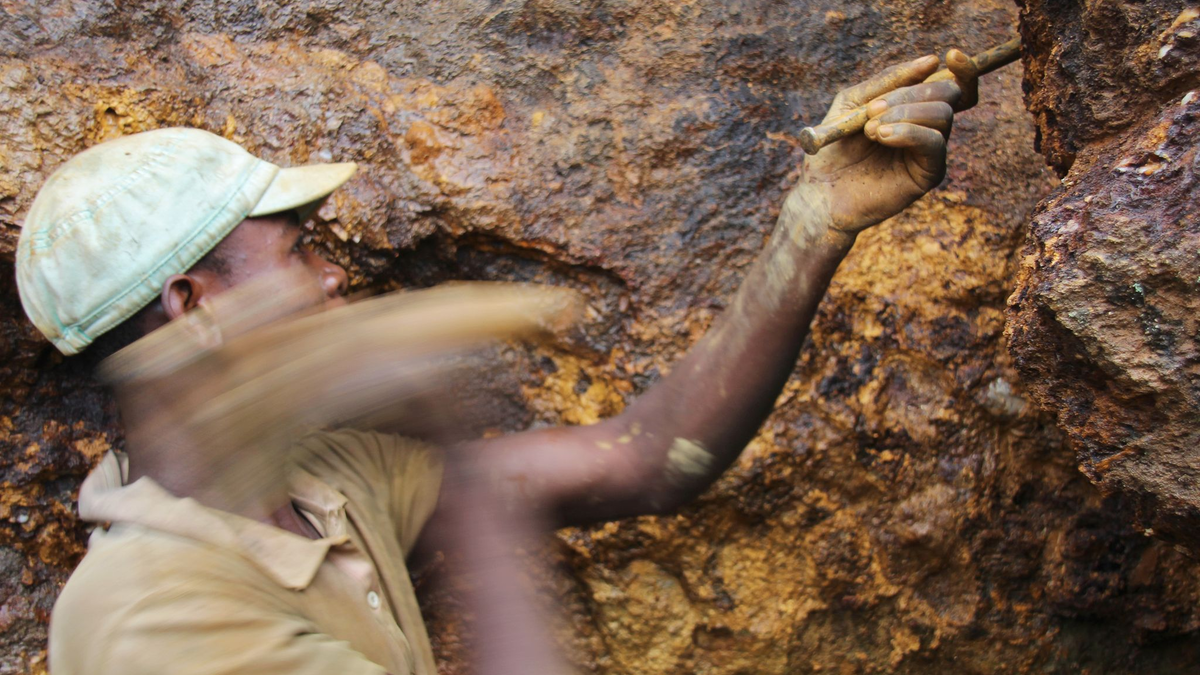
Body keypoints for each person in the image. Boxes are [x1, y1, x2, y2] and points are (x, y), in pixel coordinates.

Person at [18, 54, 975, 674]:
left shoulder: (318, 482)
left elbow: (648, 456)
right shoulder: (146, 615)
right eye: (300, 248)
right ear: (195, 307)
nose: (334, 274)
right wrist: (436, 419)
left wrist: (811, 223)